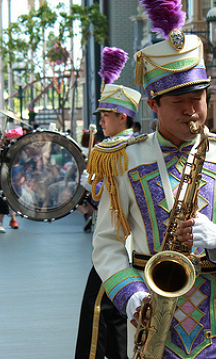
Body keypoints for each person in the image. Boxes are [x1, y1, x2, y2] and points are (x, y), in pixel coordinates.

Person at [90, 0, 216, 359]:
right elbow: (106, 243)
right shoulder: (122, 159)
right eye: (178, 102)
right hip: (150, 315)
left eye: (198, 98)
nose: (192, 111)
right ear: (152, 104)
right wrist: (129, 294)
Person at [76, 49, 141, 359]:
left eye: (106, 115)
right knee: (112, 316)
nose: (101, 121)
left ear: (122, 117)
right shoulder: (110, 147)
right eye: (100, 116)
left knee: (101, 313)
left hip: (124, 243)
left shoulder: (126, 148)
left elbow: (110, 194)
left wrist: (94, 185)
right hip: (112, 241)